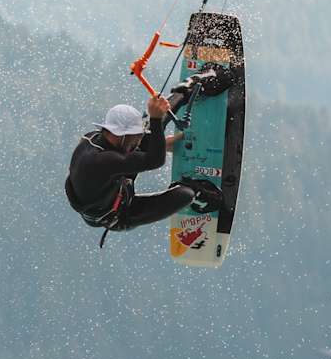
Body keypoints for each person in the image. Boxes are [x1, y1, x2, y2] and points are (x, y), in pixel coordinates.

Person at [65, 74, 228, 239]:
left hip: (114, 181)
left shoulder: (98, 138)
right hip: (120, 213)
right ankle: (203, 198)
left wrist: (157, 127)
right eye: (135, 137)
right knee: (186, 195)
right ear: (121, 135)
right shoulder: (102, 160)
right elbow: (155, 161)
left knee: (151, 130)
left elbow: (134, 149)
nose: (138, 141)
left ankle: (188, 88)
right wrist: (156, 122)